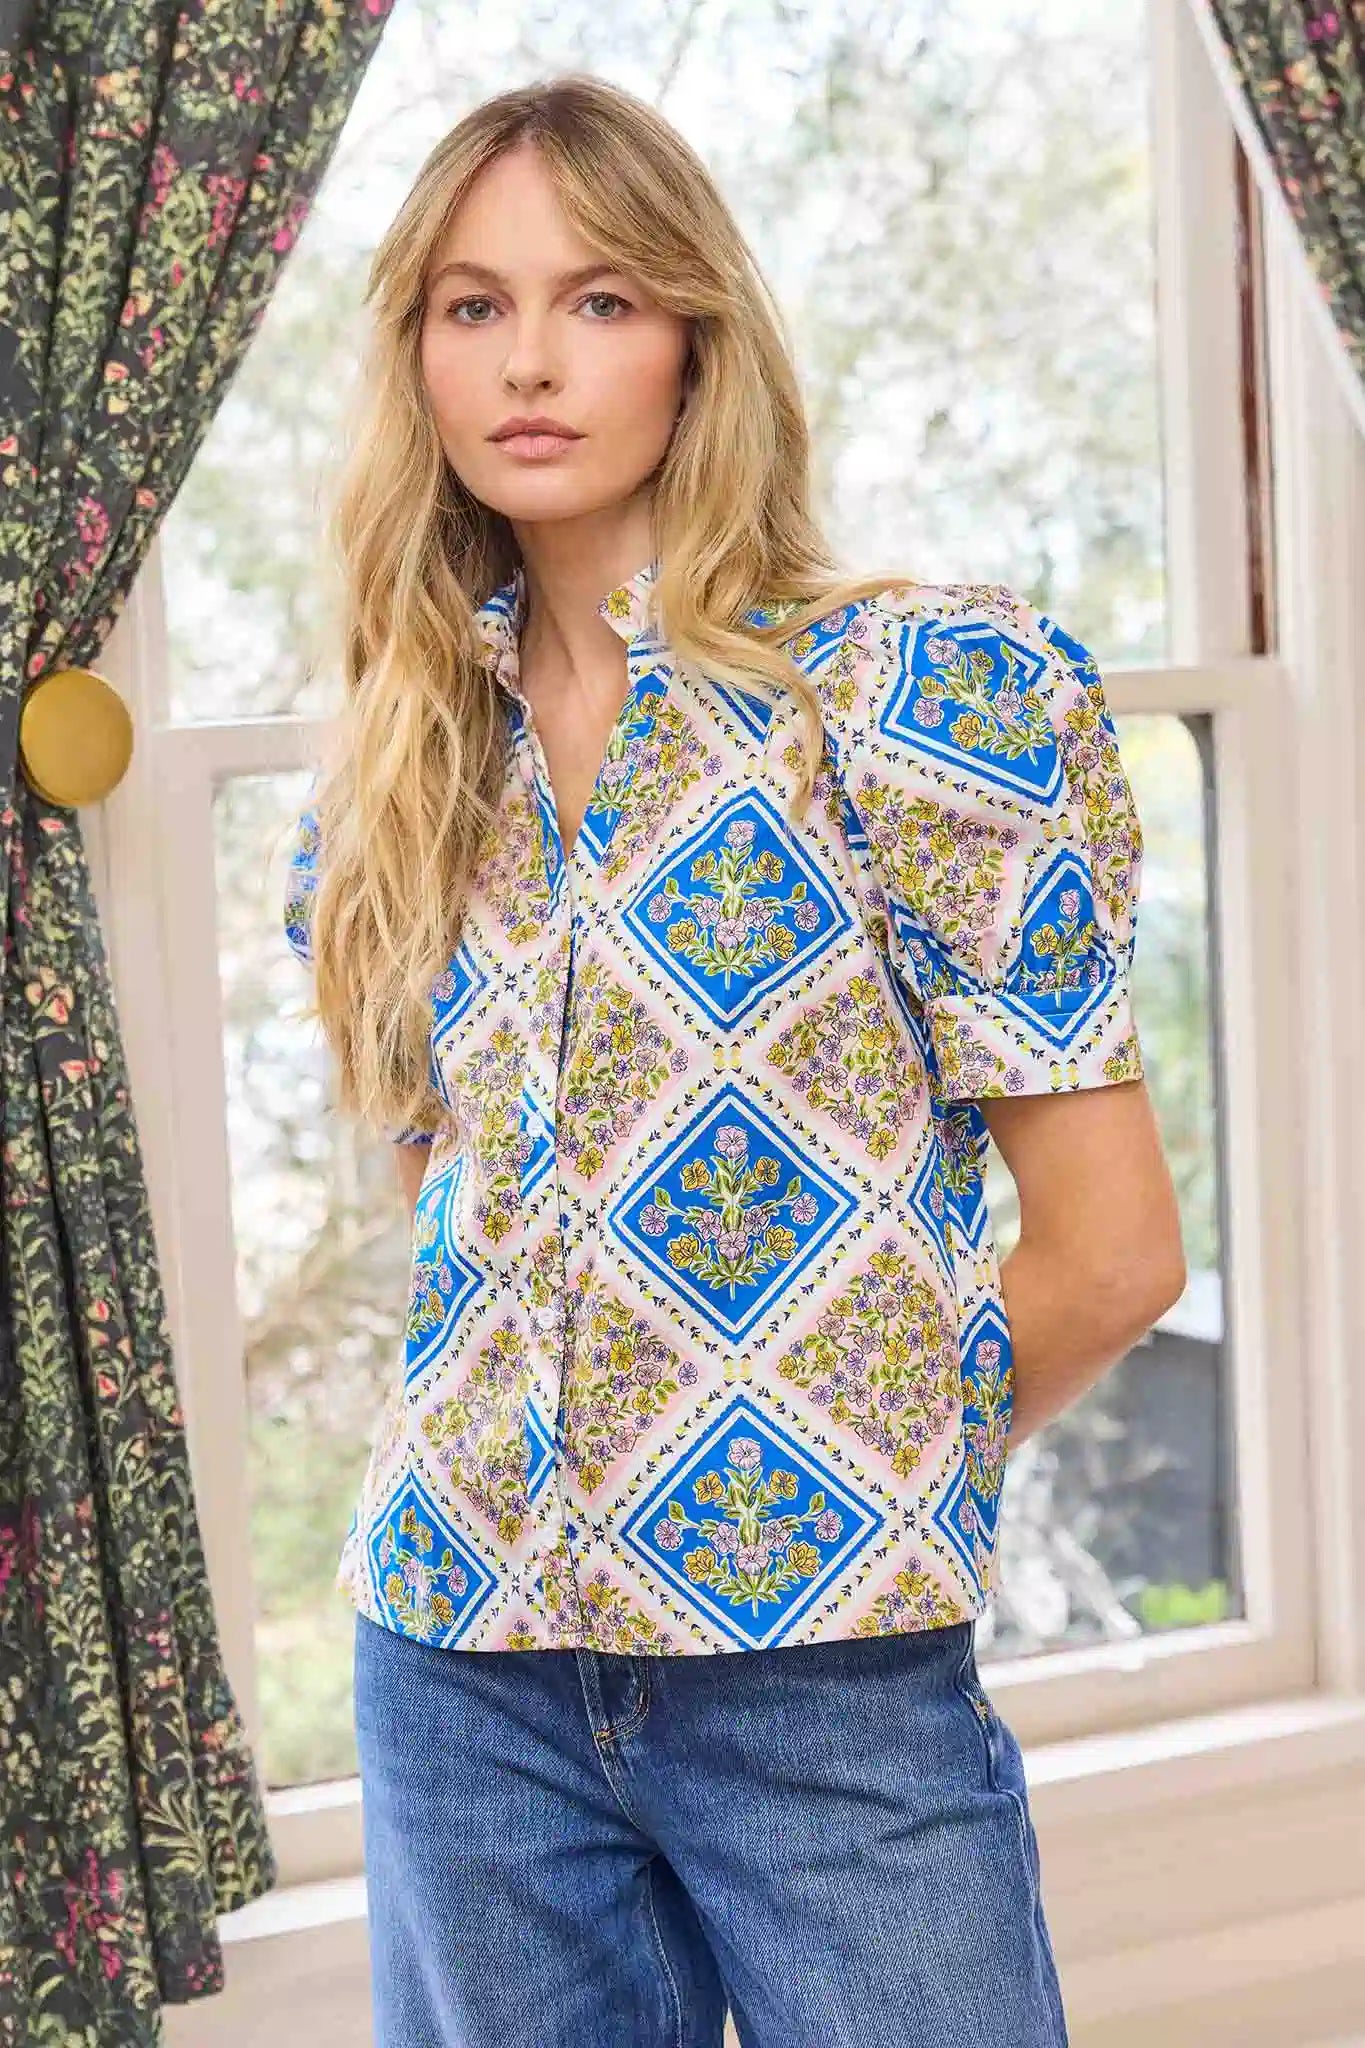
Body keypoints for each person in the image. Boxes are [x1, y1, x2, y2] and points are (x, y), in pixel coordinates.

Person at [282, 69, 1185, 2048]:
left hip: (824, 1678)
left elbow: (1113, 1253)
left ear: (696, 341)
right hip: (454, 1663)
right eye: (471, 303)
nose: (530, 358)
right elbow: (471, 1218)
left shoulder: (913, 697)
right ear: (416, 360)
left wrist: (833, 1489)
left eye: (599, 300)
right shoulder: (407, 756)